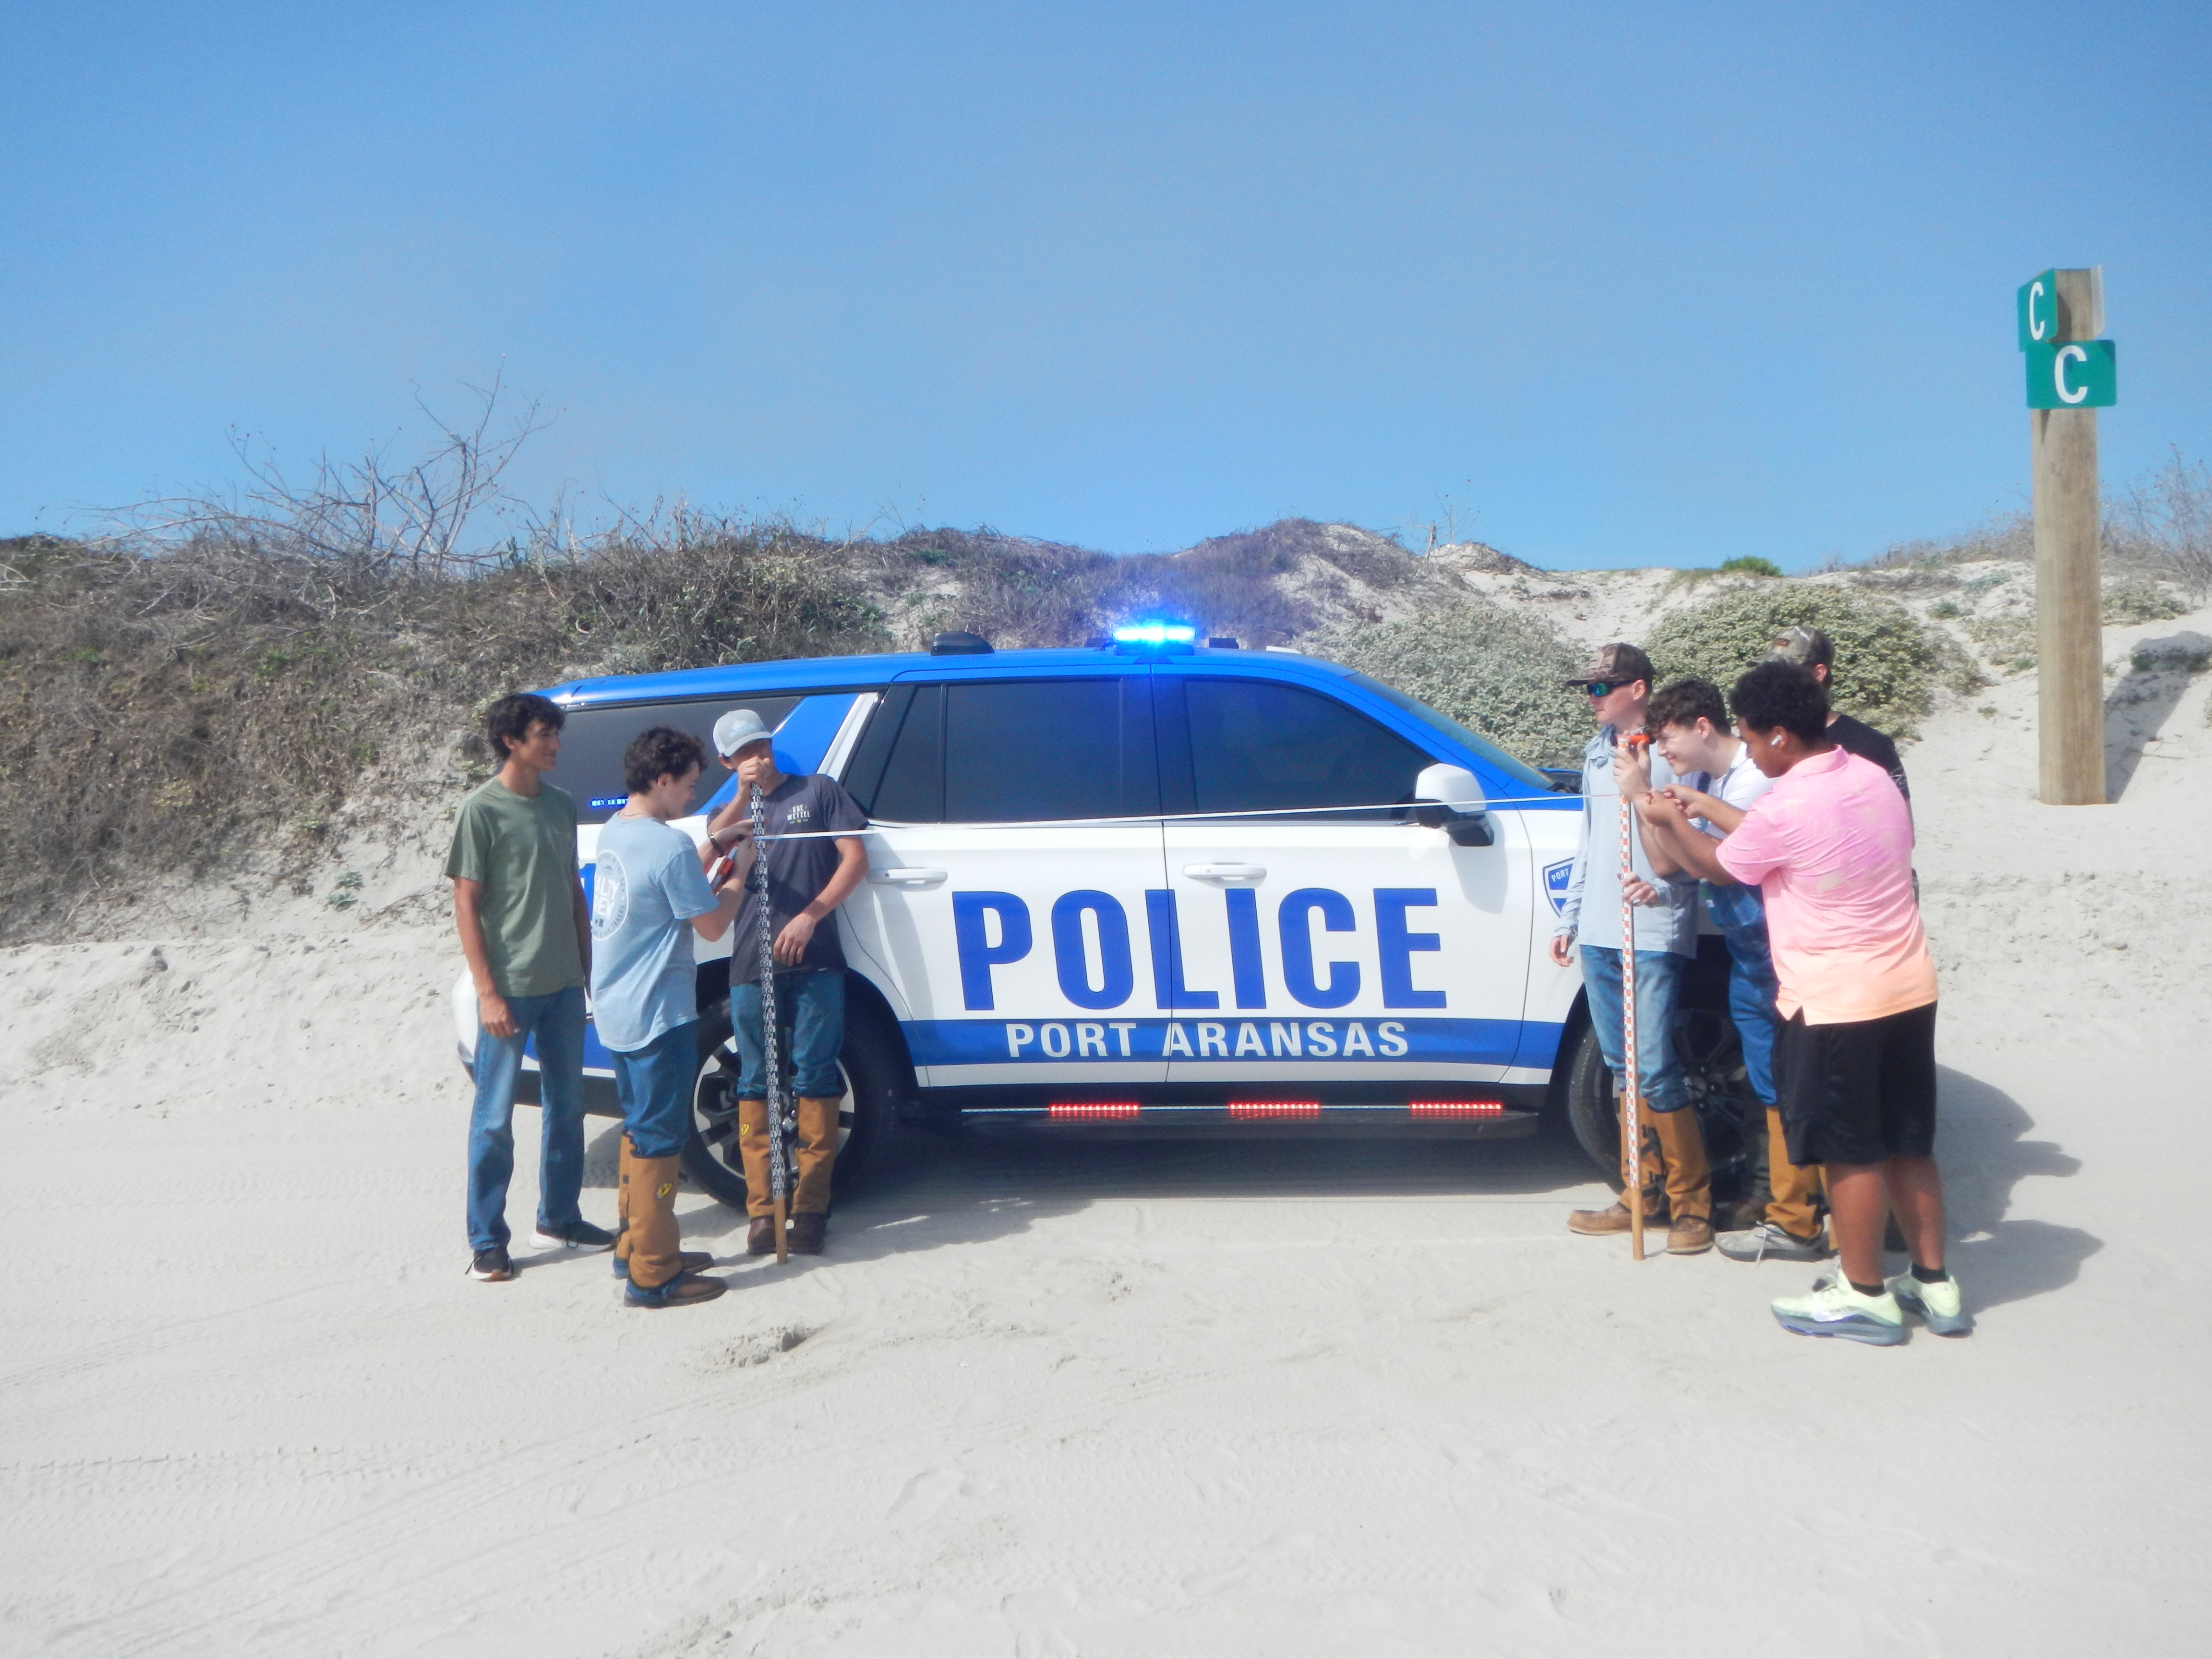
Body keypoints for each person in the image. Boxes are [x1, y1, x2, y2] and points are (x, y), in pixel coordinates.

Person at [1633, 661, 1965, 1345]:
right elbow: (1766, 831)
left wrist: (1667, 814)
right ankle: (1935, 1285)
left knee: (1851, 1152)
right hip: (1909, 986)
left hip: (1834, 1000)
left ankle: (1864, 1292)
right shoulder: (1870, 774)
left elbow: (1718, 865)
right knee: (1908, 1141)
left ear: (1780, 737)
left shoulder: (1789, 807)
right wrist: (1710, 808)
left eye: (1753, 741)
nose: (1750, 752)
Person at [1633, 677, 1827, 1263]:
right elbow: (1670, 863)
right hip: (1750, 952)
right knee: (1768, 1081)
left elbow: (1722, 866)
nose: (1664, 752)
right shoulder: (1705, 780)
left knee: (1796, 1080)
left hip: (1778, 950)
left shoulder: (1752, 780)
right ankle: (1779, 1205)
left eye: (1668, 739)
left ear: (1702, 727)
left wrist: (1650, 797)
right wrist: (1647, 802)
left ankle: (1808, 1213)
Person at [1553, 644, 1716, 1255]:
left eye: (1603, 688)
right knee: (1624, 1067)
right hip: (1600, 927)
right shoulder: (1598, 754)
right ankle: (1641, 1194)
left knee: (1655, 1064)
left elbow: (1693, 841)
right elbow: (1591, 841)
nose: (1592, 699)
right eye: (1589, 689)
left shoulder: (1670, 751)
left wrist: (1667, 881)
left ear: (1639, 689)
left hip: (1649, 926)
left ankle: (1693, 1205)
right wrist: (1570, 916)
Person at [448, 692, 610, 1282]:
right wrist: (488, 992)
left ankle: (561, 1217)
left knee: (567, 1109)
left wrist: (588, 974)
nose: (556, 745)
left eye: (555, 734)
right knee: (494, 1118)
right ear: (512, 740)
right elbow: (465, 901)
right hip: (510, 987)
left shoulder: (562, 806)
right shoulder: (481, 809)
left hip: (564, 983)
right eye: (544, 734)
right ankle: (487, 1240)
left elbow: (571, 890)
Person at [702, 709, 870, 1257]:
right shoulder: (731, 812)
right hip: (752, 961)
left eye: (763, 747)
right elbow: (710, 850)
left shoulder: (818, 792)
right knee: (755, 1081)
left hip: (816, 957)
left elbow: (854, 859)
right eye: (744, 753)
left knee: (817, 1075)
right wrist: (738, 796)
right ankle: (762, 1212)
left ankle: (812, 1207)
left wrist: (811, 915)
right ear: (727, 762)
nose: (758, 758)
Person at [591, 727, 745, 1308]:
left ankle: (635, 1245)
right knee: (660, 1139)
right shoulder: (669, 846)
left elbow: (667, 883)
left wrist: (717, 843)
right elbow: (710, 924)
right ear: (661, 779)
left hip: (617, 1007)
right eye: (687, 785)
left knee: (638, 1126)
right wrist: (742, 870)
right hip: (660, 1012)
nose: (693, 797)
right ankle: (654, 1273)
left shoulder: (618, 832)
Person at [1769, 626, 1910, 804]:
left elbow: (1898, 824)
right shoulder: (1761, 741)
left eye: (1784, 672)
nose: (1772, 681)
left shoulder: (1871, 746)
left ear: (1818, 674)